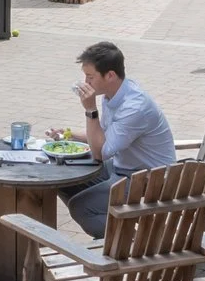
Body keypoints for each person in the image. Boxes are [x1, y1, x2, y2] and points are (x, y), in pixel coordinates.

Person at [64, 40, 176, 237]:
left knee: (81, 207)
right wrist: (69, 135)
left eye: (90, 77)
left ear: (110, 75)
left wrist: (90, 110)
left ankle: (132, 243)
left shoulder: (134, 107)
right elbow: (105, 136)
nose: (85, 82)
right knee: (65, 181)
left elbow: (100, 153)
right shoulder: (112, 93)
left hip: (149, 179)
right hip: (122, 167)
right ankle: (113, 226)